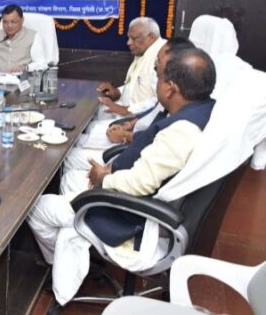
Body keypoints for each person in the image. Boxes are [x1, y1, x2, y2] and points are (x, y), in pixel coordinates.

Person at [28, 46, 217, 305]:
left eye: (159, 77)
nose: (156, 81)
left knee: (37, 208)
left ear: (170, 89)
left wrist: (104, 179)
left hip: (132, 219)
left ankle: (56, 267)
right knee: (71, 179)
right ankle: (75, 247)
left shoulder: (181, 132)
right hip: (136, 198)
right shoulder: (202, 109)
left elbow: (140, 184)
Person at [60, 38, 195, 194]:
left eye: (159, 63)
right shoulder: (182, 108)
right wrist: (130, 124)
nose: (156, 68)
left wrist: (105, 176)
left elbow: (143, 181)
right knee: (72, 149)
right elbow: (152, 114)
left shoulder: (180, 130)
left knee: (67, 169)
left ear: (171, 87)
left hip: (120, 191)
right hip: (125, 160)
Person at [96, 17, 166, 118]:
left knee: (94, 126)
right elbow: (136, 84)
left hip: (142, 118)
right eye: (129, 38)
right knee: (100, 111)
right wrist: (118, 92)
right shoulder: (144, 50)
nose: (128, 43)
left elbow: (160, 100)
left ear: (151, 37)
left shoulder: (162, 56)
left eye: (134, 38)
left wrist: (126, 110)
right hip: (129, 110)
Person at [0, 4, 47, 73]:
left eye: (13, 22)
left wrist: (25, 67)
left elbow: (41, 63)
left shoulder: (33, 36)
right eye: (5, 22)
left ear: (22, 20)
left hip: (22, 78)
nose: (9, 26)